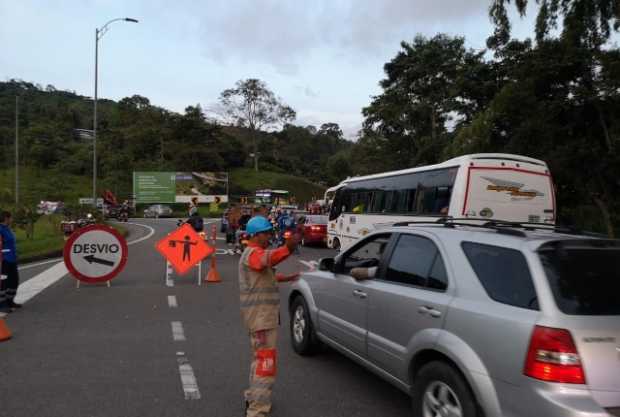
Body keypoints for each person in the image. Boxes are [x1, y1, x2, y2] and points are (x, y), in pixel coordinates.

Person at [239, 216, 300, 417]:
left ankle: (252, 396)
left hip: (260, 318)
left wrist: (287, 277)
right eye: (267, 233)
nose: (269, 237)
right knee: (265, 364)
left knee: (259, 360)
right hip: (261, 319)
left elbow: (265, 275)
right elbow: (266, 260)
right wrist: (287, 248)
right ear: (257, 235)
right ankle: (257, 410)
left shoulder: (253, 254)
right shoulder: (253, 253)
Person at [0, 211, 21, 314]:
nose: (12, 220)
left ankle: (10, 301)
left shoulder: (7, 229)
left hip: (12, 259)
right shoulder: (0, 230)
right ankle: (2, 304)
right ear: (6, 218)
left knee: (14, 281)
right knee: (3, 283)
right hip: (3, 261)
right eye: (11, 218)